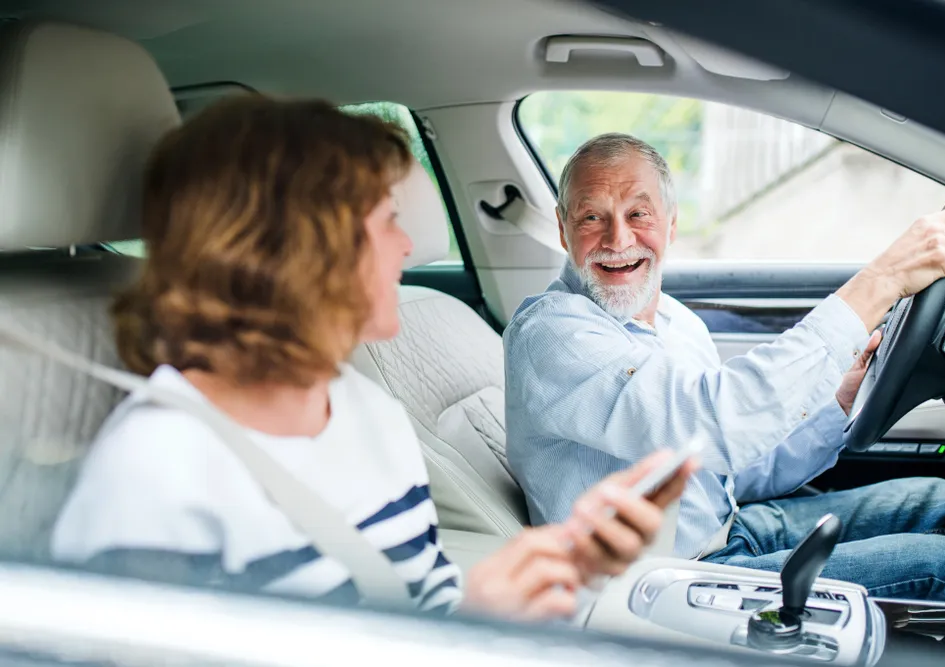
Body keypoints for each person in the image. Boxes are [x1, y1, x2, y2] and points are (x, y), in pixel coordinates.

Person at [50, 100, 696, 621]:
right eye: (386, 219)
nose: (408, 244)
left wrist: (554, 575)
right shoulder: (156, 469)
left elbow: (418, 618)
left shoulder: (367, 412)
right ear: (296, 247)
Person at [504, 132, 945, 603]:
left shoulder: (678, 322)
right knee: (943, 568)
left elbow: (731, 460)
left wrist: (840, 402)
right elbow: (716, 421)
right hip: (656, 585)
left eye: (638, 213)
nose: (618, 237)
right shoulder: (551, 334)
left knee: (943, 503)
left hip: (727, 529)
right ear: (563, 228)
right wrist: (881, 281)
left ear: (670, 223)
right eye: (592, 216)